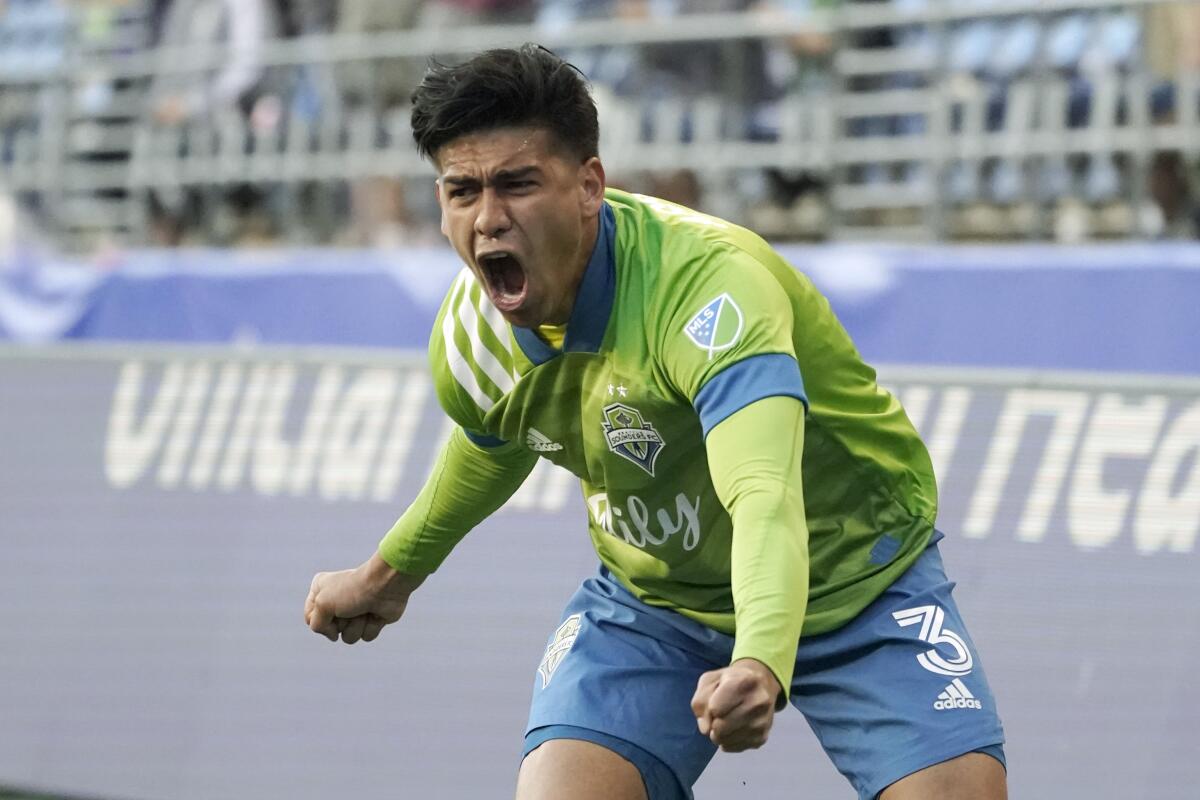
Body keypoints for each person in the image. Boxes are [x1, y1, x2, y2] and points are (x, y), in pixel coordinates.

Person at [304, 44, 1007, 800]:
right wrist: (388, 574)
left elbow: (764, 495)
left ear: (589, 186)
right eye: (461, 191)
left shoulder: (707, 290)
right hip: (657, 604)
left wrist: (760, 660)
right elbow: (496, 443)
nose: (489, 220)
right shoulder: (473, 337)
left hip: (859, 579)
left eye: (517, 184)